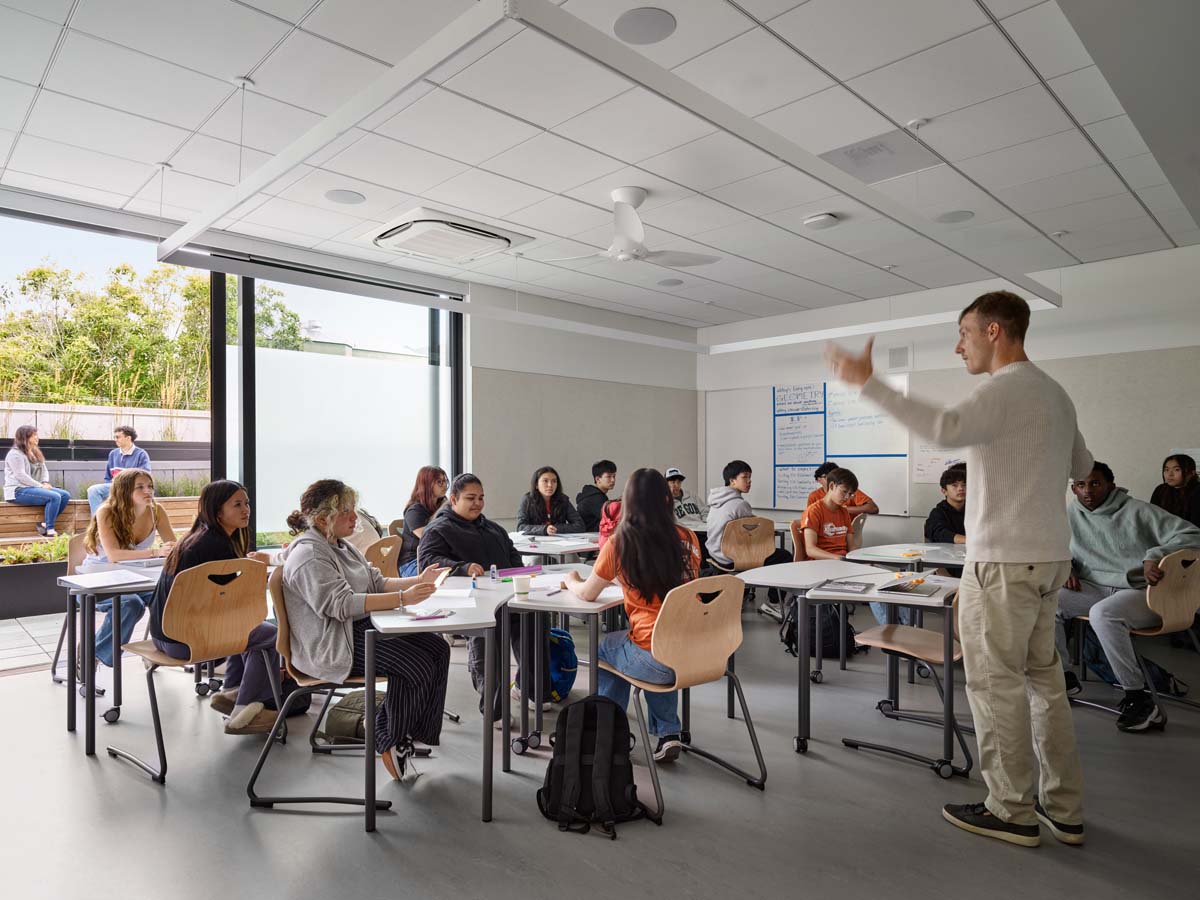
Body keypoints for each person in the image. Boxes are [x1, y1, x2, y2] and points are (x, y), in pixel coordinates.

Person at [827, 289, 1093, 848]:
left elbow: (945, 429)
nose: (958, 346)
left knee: (995, 685)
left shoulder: (1003, 388)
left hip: (1002, 562)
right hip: (1049, 559)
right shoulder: (1055, 393)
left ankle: (1012, 810)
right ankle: (1062, 807)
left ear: (995, 331)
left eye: (964, 333)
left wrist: (868, 383)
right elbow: (1083, 467)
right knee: (1044, 682)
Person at [283, 479, 448, 780]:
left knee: (438, 648)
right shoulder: (309, 554)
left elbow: (376, 582)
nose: (354, 517)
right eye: (346, 512)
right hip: (332, 646)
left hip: (354, 631)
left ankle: (410, 733)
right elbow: (340, 605)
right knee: (416, 664)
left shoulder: (339, 545)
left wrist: (417, 580)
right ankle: (388, 739)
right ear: (323, 519)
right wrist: (402, 599)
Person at [564, 468, 701, 762]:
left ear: (628, 501)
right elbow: (678, 583)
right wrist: (625, 580)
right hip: (696, 652)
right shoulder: (688, 537)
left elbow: (588, 593)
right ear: (667, 499)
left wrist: (571, 579)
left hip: (656, 657)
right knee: (656, 645)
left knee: (607, 648)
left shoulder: (620, 542)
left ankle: (610, 732)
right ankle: (668, 732)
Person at [1055, 462, 1200, 732]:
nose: (1088, 491)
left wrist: (1154, 556)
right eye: (1081, 485)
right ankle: (1062, 676)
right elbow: (1058, 547)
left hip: (1143, 593)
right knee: (1047, 599)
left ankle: (1139, 698)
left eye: (1095, 483)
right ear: (1073, 488)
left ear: (1110, 484)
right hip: (1095, 589)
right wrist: (1066, 565)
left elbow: (1193, 534)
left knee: (1104, 614)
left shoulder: (1137, 510)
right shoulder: (1070, 513)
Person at [150, 479, 281, 734]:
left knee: (244, 628)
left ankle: (232, 692)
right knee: (271, 635)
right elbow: (237, 599)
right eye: (237, 505)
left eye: (247, 503)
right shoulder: (218, 546)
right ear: (217, 511)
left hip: (163, 637)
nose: (246, 510)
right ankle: (247, 707)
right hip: (187, 641)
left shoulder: (193, 540)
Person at [419, 473, 550, 720]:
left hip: (506, 595)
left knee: (535, 616)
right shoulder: (438, 529)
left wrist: (522, 574)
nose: (478, 503)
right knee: (491, 631)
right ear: (453, 499)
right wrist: (462, 566)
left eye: (481, 497)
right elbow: (427, 562)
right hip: (473, 602)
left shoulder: (492, 528)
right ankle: (495, 708)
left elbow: (513, 557)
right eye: (470, 498)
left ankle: (530, 689)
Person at [77, 468, 175, 672]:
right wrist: (155, 552)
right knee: (131, 604)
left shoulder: (156, 511)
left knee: (167, 597)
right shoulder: (106, 512)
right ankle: (91, 653)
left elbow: (172, 545)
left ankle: (161, 649)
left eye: (150, 487)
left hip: (136, 578)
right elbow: (114, 555)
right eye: (140, 487)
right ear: (124, 490)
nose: (147, 491)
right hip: (97, 581)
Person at [704, 459, 790, 571]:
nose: (749, 481)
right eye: (745, 477)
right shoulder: (740, 504)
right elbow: (758, 529)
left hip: (716, 555)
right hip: (734, 557)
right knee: (785, 555)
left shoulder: (715, 502)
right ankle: (772, 588)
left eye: (750, 477)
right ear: (732, 481)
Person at [4, 425, 72, 537]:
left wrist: (44, 482)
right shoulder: (15, 454)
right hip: (17, 490)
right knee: (54, 497)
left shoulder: (34, 452)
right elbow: (21, 476)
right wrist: (40, 486)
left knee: (65, 495)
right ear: (25, 437)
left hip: (32, 488)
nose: (37, 438)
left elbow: (44, 469)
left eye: (37, 435)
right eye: (34, 435)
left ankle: (45, 524)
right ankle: (50, 530)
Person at [87, 425, 151, 515]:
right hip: (115, 487)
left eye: (118, 437)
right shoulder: (113, 454)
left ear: (128, 438)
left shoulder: (141, 454)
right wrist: (113, 491)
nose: (115, 439)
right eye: (114, 437)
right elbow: (108, 477)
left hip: (131, 488)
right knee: (93, 490)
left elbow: (145, 477)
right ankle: (97, 523)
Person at [398, 466, 449, 577]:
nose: (445, 486)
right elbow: (429, 538)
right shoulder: (415, 510)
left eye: (445, 481)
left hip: (432, 557)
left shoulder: (440, 506)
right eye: (439, 482)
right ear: (427, 485)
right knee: (445, 576)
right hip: (411, 562)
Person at [517, 465, 585, 535]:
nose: (550, 485)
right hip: (536, 542)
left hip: (560, 542)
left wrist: (555, 528)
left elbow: (580, 525)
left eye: (554, 481)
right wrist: (544, 529)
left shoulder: (563, 500)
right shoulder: (527, 500)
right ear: (536, 485)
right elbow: (521, 527)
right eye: (545, 481)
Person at [666, 466, 710, 564]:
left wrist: (706, 523)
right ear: (666, 484)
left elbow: (705, 511)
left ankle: (706, 568)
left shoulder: (691, 495)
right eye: (672, 482)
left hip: (701, 528)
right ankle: (702, 567)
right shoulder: (665, 500)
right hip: (684, 532)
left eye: (678, 482)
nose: (676, 485)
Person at [806, 460, 879, 516]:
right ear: (818, 479)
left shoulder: (849, 490)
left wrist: (844, 509)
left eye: (834, 476)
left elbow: (873, 508)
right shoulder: (814, 497)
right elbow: (810, 518)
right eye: (826, 477)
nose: (847, 497)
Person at [1150, 453, 1200, 527]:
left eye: (1177, 469)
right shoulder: (1160, 489)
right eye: (1166, 469)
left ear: (1192, 473)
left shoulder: (1197, 491)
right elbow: (1152, 516)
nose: (1170, 474)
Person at [925, 463, 967, 545]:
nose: (961, 489)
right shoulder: (938, 512)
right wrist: (968, 540)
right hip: (945, 554)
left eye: (964, 485)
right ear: (944, 491)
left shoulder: (974, 510)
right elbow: (938, 533)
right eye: (954, 485)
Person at [576, 459, 616, 531]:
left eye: (614, 476)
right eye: (609, 476)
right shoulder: (595, 498)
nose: (613, 480)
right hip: (587, 538)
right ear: (598, 479)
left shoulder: (596, 495)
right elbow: (611, 519)